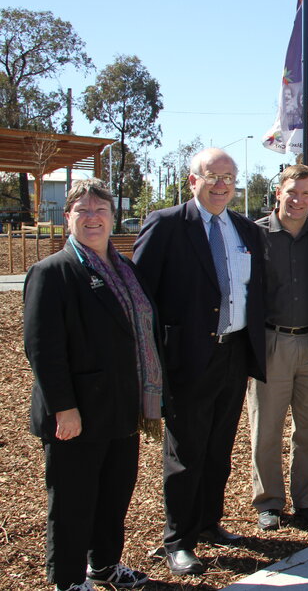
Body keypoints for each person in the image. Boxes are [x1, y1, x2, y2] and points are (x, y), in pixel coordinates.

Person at [132, 148, 266, 577]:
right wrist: (154, 360)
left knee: (219, 448)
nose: (222, 185)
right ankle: (179, 541)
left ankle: (209, 523)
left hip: (233, 353)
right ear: (193, 180)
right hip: (186, 359)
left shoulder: (246, 230)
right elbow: (141, 297)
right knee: (186, 451)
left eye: (229, 176)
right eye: (213, 177)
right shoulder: (167, 225)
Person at [24, 179, 155, 590]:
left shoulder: (126, 269)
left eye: (101, 209)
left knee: (113, 498)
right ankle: (67, 580)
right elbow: (43, 350)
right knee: (72, 504)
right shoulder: (52, 273)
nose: (93, 217)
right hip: (76, 413)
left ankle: (103, 567)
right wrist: (64, 408)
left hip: (121, 408)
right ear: (67, 218)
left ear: (113, 217)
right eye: (83, 210)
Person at [249, 164, 308, 534]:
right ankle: (268, 502)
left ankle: (306, 501)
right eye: (292, 191)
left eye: (306, 194)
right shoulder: (254, 235)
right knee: (265, 428)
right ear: (278, 193)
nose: (298, 200)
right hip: (271, 342)